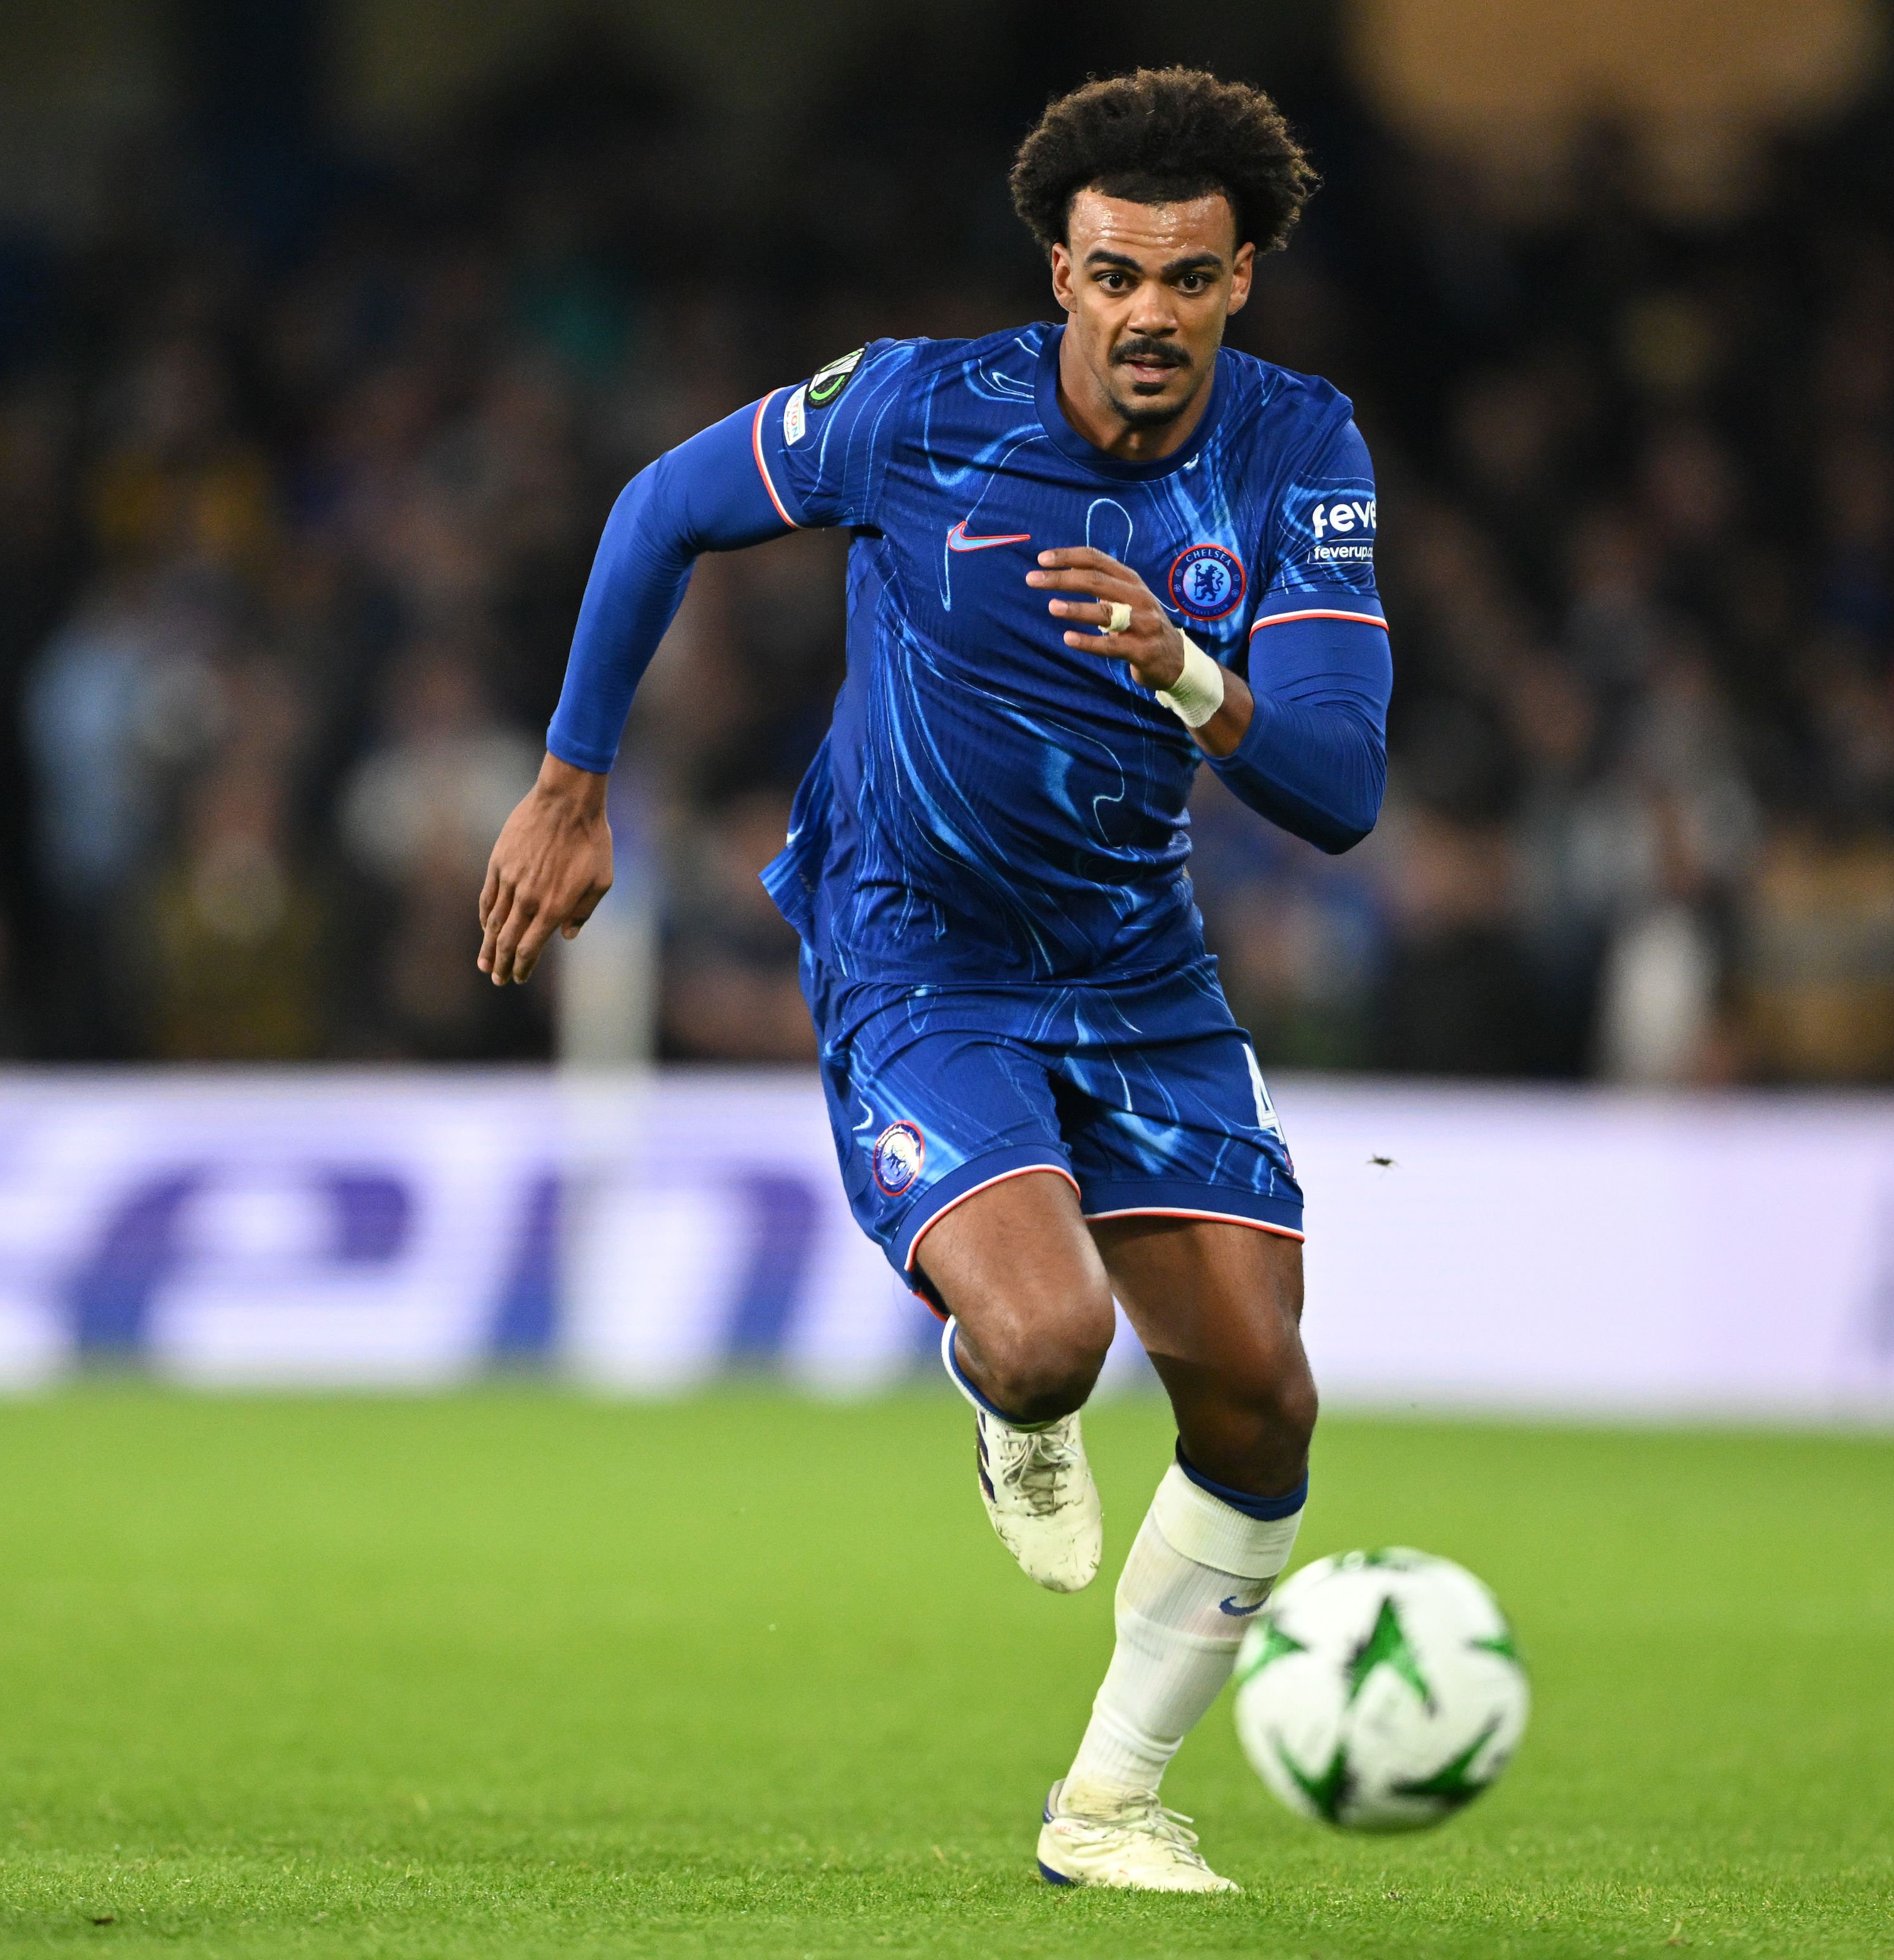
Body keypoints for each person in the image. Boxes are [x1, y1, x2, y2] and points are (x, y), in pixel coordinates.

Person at [476, 69, 1388, 1892]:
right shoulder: (912, 409)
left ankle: (1112, 1804)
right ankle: (1017, 1405)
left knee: (1266, 1399)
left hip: (1138, 965)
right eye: (1117, 274)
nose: (1150, 312)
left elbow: (1342, 785)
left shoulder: (1301, 450)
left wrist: (1190, 675)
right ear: (1061, 270)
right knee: (1051, 1338)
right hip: (918, 945)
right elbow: (661, 509)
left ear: (1242, 285)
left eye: (1190, 280)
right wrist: (575, 780)